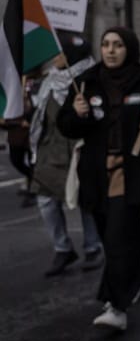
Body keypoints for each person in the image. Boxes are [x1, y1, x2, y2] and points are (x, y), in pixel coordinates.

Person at [57, 27, 140, 331]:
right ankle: (134, 280)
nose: (110, 50)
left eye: (118, 45)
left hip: (132, 174)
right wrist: (77, 113)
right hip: (95, 176)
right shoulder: (86, 82)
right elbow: (66, 127)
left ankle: (115, 307)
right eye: (106, 44)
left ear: (130, 49)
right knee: (118, 237)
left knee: (118, 237)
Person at [30, 49, 104, 275]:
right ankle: (62, 248)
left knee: (84, 198)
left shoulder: (89, 79)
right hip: (50, 150)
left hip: (77, 148)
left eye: (59, 52)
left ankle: (93, 246)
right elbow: (40, 115)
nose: (54, 57)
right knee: (46, 201)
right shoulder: (49, 82)